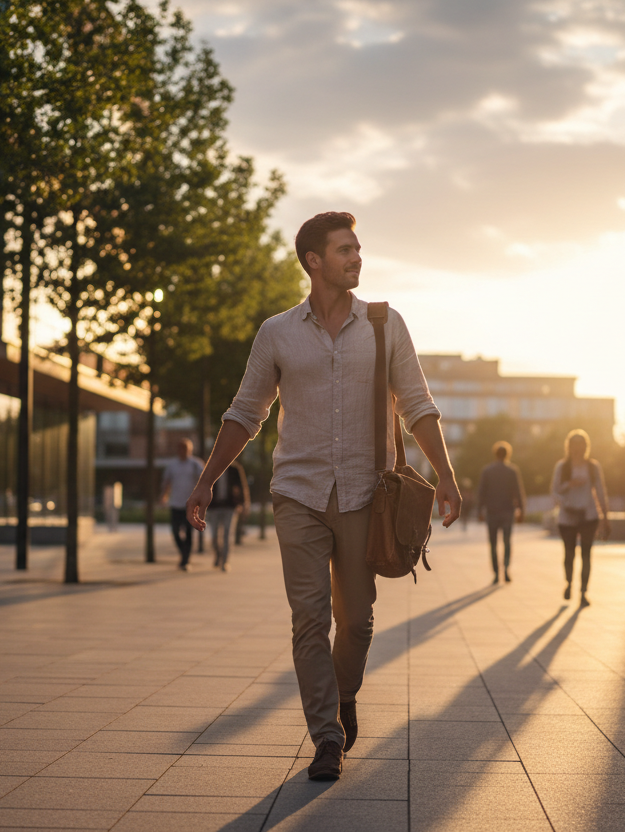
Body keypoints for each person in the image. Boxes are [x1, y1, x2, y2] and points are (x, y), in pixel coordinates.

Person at [184, 211, 461, 782]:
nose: (356, 257)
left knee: (356, 621)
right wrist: (207, 478)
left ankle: (344, 694)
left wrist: (448, 477)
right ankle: (327, 737)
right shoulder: (276, 333)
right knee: (309, 619)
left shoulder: (385, 325)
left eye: (357, 248)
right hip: (298, 494)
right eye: (344, 250)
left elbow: (417, 405)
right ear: (314, 261)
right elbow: (246, 413)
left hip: (366, 494)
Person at [551, 429, 610, 605]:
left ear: (586, 447)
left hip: (588, 516)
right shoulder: (562, 467)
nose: (578, 449)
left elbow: (601, 492)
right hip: (567, 516)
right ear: (569, 447)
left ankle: (583, 592)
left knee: (586, 554)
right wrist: (569, 485)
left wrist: (605, 517)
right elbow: (554, 492)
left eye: (581, 445)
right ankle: (569, 583)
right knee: (569, 553)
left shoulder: (592, 467)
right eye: (574, 445)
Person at [478, 441, 525, 584]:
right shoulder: (512, 471)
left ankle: (496, 573)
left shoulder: (487, 471)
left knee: (493, 543)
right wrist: (522, 510)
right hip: (507, 512)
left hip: (492, 511)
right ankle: (506, 569)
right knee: (507, 542)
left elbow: (481, 492)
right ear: (508, 454)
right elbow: (518, 492)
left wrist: (479, 510)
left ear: (495, 454)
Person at [160, 439, 204, 570]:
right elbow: (167, 482)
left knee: (189, 532)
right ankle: (184, 553)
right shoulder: (172, 465)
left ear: (190, 450)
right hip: (176, 503)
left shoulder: (196, 464)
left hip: (190, 504)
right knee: (175, 531)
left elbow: (203, 481)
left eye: (185, 449)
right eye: (180, 449)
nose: (182, 451)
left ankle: (185, 560)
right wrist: (163, 496)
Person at [209, 459, 249, 571]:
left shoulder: (235, 469)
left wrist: (243, 503)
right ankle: (218, 554)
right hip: (214, 506)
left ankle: (225, 561)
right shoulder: (212, 468)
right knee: (214, 535)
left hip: (230, 506)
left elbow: (242, 486)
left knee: (227, 533)